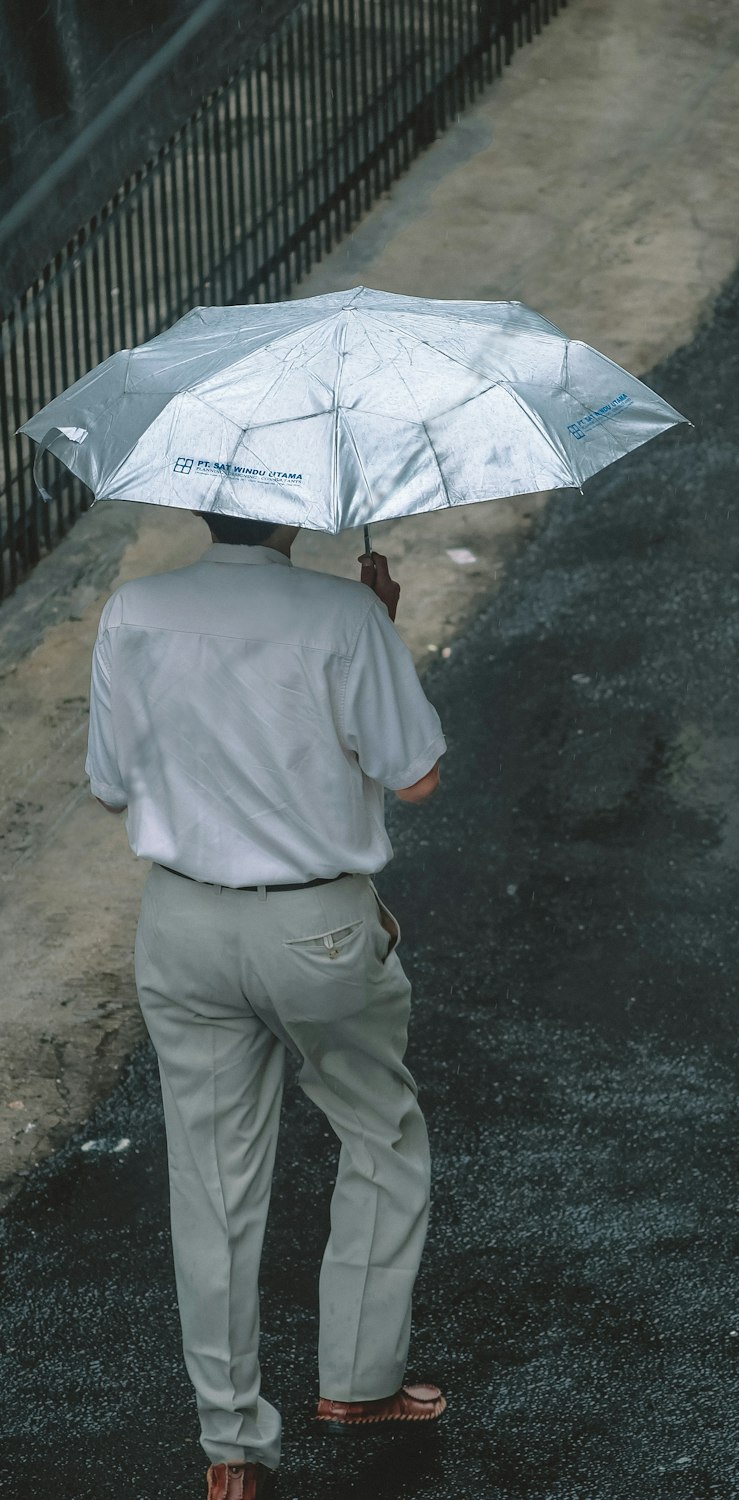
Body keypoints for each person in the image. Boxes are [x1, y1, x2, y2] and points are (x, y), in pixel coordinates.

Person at [85, 511, 448, 1500]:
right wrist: (377, 633)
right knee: (378, 1132)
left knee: (209, 1180)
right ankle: (360, 1383)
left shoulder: (135, 612)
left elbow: (112, 785)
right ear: (294, 507)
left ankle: (231, 1449)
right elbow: (415, 776)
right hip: (317, 930)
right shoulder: (342, 616)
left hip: (183, 925)